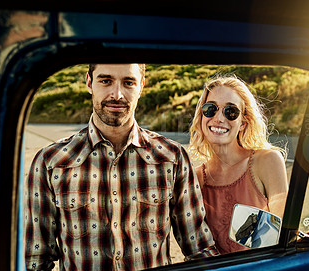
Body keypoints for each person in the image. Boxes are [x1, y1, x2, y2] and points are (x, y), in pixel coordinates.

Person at [24, 64, 218, 271]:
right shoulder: (51, 162)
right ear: (89, 82)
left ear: (141, 86)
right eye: (106, 81)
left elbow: (199, 249)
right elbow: (34, 260)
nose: (117, 95)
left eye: (128, 82)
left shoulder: (172, 158)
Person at [189, 74, 288, 254]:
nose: (219, 118)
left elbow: (283, 235)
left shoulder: (267, 162)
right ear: (202, 116)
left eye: (230, 111)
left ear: (243, 122)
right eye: (211, 109)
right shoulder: (196, 178)